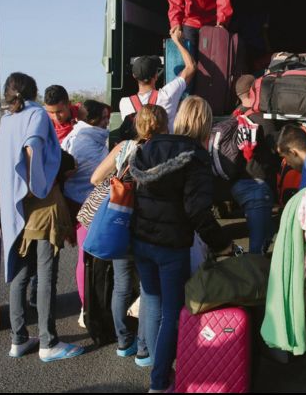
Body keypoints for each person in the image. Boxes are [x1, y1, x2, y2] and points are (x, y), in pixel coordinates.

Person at [129, 96, 232, 393]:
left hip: (141, 239)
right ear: (205, 124)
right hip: (170, 245)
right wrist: (221, 243)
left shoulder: (150, 145)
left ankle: (152, 363)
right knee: (173, 312)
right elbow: (198, 210)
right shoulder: (195, 157)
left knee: (152, 301)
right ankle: (160, 381)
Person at [0, 72, 84, 363]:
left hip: (14, 205)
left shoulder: (7, 120)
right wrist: (39, 185)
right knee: (46, 273)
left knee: (21, 272)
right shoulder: (35, 115)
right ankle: (48, 343)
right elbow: (33, 147)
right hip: (41, 205)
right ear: (33, 93)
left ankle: (18, 339)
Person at [87, 104, 170, 364]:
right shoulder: (163, 150)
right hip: (148, 225)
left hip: (120, 222)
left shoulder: (124, 147)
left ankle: (124, 341)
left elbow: (95, 178)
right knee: (148, 287)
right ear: (164, 124)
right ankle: (145, 349)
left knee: (121, 284)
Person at [61, 100, 110, 328]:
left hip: (75, 203)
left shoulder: (77, 134)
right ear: (93, 121)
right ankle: (86, 307)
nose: (108, 120)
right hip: (87, 206)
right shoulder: (88, 142)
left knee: (86, 258)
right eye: (104, 117)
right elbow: (100, 176)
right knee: (87, 259)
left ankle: (89, 304)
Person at [230, 74, 279, 254]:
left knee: (263, 237)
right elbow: (276, 149)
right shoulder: (262, 118)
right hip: (257, 185)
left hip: (237, 185)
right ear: (255, 90)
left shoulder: (234, 115)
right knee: (257, 248)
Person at [119, 29, 196, 136]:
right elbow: (191, 67)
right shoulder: (166, 95)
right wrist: (178, 41)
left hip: (138, 151)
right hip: (163, 150)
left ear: (134, 76)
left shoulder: (124, 103)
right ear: (156, 76)